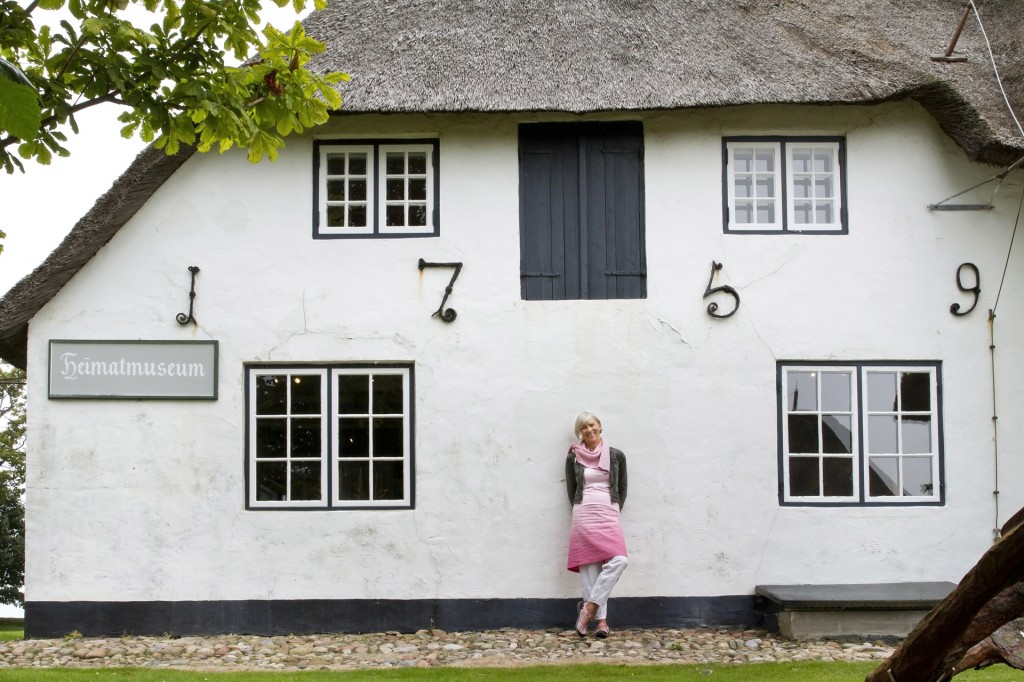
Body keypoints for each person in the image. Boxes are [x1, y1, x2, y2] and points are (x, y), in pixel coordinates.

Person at [565, 411, 628, 638]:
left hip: (608, 515)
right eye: (583, 427)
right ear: (579, 432)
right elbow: (572, 491)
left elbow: (622, 489)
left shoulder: (616, 456)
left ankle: (588, 608)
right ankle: (601, 623)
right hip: (584, 515)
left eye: (592, 425)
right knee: (590, 571)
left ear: (600, 426)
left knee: (619, 560)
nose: (589, 430)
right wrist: (580, 510)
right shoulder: (573, 458)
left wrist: (614, 510)